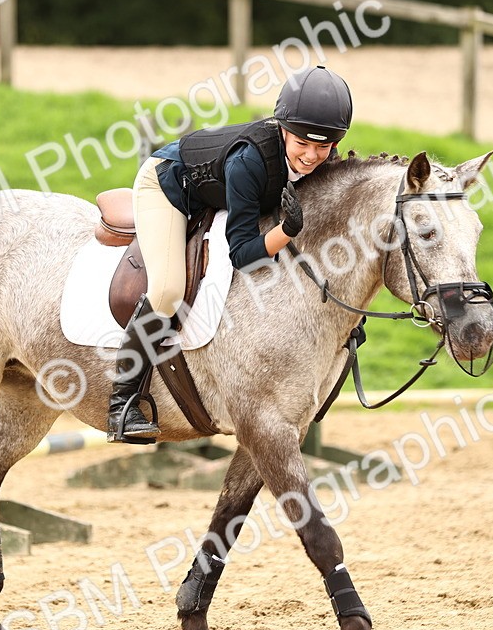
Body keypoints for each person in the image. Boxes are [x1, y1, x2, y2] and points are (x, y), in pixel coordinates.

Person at [107, 65, 354, 444]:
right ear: (283, 130)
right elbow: (242, 255)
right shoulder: (250, 163)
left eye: (323, 147)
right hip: (169, 186)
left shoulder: (322, 160)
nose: (311, 156)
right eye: (302, 143)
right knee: (169, 289)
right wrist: (286, 231)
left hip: (216, 191)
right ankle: (122, 403)